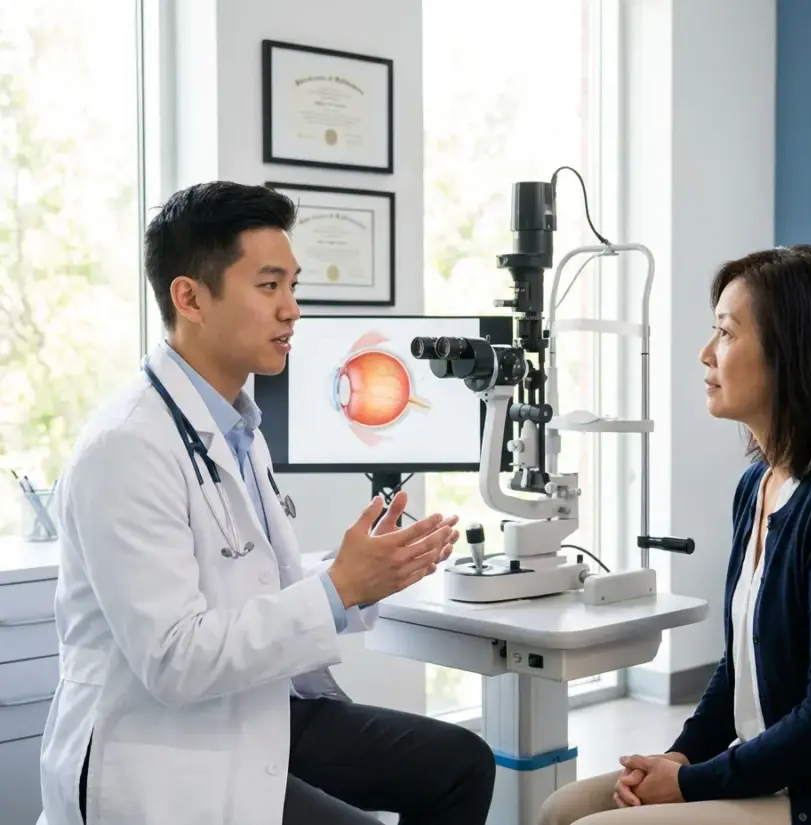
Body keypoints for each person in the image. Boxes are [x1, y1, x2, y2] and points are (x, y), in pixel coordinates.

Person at [39, 181, 497, 825]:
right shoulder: (127, 447)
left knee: (461, 763)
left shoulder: (235, 427)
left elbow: (254, 586)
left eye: (293, 286)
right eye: (269, 286)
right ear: (190, 297)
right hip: (164, 741)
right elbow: (174, 661)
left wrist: (363, 578)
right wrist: (337, 589)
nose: (293, 310)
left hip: (257, 704)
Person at [539, 245, 811, 825]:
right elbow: (738, 667)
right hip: (783, 768)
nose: (705, 354)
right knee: (561, 809)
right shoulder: (758, 485)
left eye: (726, 333)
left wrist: (691, 785)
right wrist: (679, 758)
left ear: (795, 356)